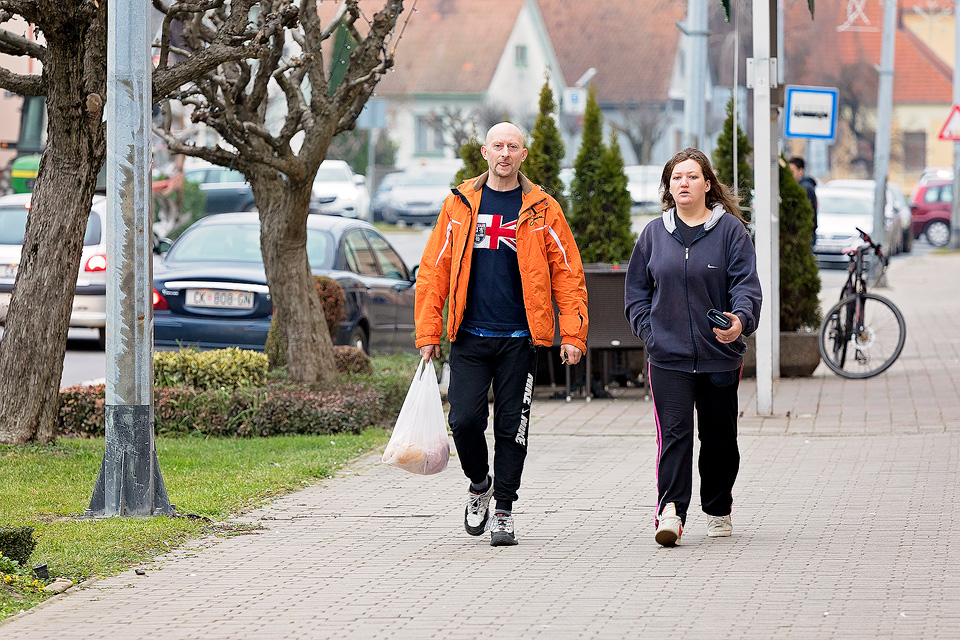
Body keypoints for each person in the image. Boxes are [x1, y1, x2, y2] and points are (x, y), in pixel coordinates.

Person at [415, 122, 588, 547]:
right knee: (464, 421)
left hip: (520, 340)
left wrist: (573, 334)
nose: (505, 153)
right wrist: (428, 331)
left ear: (523, 155)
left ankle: (505, 511)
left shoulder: (543, 209)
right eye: (498, 146)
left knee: (513, 429)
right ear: (485, 152)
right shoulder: (459, 204)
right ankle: (480, 485)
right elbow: (434, 270)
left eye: (513, 147)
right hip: (469, 336)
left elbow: (568, 274)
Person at [624, 148, 762, 547]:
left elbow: (746, 286)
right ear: (668, 187)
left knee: (720, 440)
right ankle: (670, 512)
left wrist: (739, 322)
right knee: (674, 435)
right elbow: (636, 292)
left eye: (692, 176)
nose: (684, 183)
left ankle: (718, 508)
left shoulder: (730, 231)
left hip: (720, 358)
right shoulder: (653, 234)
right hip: (668, 358)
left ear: (707, 184)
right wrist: (651, 333)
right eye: (676, 177)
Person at [789, 156, 818, 238]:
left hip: (806, 234)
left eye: (792, 171)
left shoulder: (805, 188)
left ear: (801, 171)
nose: (790, 174)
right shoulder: (802, 186)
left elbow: (808, 213)